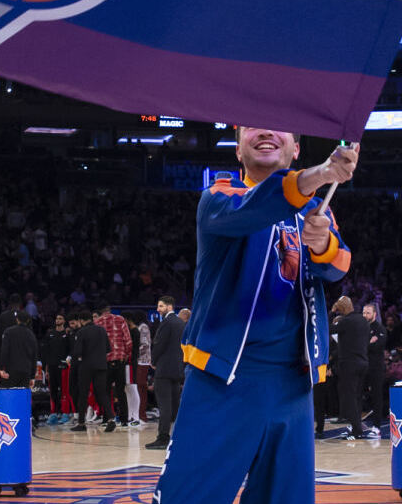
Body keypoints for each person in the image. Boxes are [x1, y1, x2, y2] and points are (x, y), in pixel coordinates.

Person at [152, 128, 356, 504]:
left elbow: (339, 266)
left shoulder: (317, 211)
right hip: (222, 380)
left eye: (279, 125)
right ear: (237, 150)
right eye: (251, 124)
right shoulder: (219, 197)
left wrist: (323, 242)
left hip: (294, 386)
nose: (264, 130)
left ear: (296, 148)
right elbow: (259, 205)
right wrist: (321, 174)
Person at [330, 296, 374, 439]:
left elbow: (329, 329)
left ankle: (356, 430)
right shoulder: (363, 321)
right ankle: (357, 426)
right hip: (363, 362)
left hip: (350, 364)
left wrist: (332, 312)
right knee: (357, 397)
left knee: (349, 398)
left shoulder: (346, 322)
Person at [146, 296, 184, 451]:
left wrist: (153, 361)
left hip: (164, 369)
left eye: (160, 306)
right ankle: (177, 437)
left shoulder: (166, 323)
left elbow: (159, 345)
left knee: (164, 406)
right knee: (175, 405)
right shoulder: (181, 323)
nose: (158, 309)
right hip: (178, 369)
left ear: (169, 307)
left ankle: (162, 438)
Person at [70, 311, 112, 431]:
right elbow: (108, 349)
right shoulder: (102, 330)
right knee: (102, 393)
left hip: (86, 366)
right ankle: (111, 419)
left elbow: (78, 352)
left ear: (82, 320)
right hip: (101, 365)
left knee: (83, 394)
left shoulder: (81, 332)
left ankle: (81, 423)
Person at [39, 313, 71, 424]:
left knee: (64, 391)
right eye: (57, 318)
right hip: (51, 367)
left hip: (63, 367)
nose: (58, 320)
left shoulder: (67, 334)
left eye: (60, 318)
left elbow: (70, 351)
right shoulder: (50, 334)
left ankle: (65, 413)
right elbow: (46, 353)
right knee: (52, 391)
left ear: (64, 320)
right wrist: (46, 370)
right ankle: (53, 414)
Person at [0, 311, 38, 390]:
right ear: (27, 321)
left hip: (11, 371)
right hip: (26, 372)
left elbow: (4, 351)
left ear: (17, 319)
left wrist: (1, 368)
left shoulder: (8, 331)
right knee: (22, 398)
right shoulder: (31, 335)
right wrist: (32, 376)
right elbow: (34, 356)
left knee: (10, 397)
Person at [362, 303, 387, 430]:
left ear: (374, 314)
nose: (365, 315)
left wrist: (365, 345)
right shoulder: (360, 328)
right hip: (362, 366)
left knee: (377, 396)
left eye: (368, 313)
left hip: (376, 367)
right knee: (357, 394)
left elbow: (377, 346)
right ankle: (357, 424)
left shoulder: (380, 329)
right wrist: (369, 342)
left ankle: (376, 426)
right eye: (364, 313)